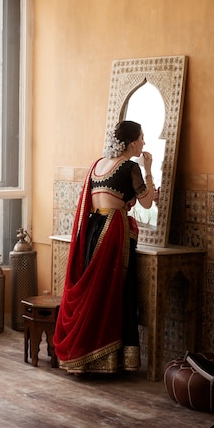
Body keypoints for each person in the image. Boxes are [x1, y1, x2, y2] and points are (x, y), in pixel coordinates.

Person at [53, 120, 156, 374]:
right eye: (142, 138)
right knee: (110, 291)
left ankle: (88, 357)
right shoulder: (131, 167)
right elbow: (146, 203)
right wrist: (150, 169)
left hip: (93, 229)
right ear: (132, 143)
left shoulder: (97, 165)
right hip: (112, 231)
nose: (144, 143)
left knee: (95, 291)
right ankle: (104, 357)